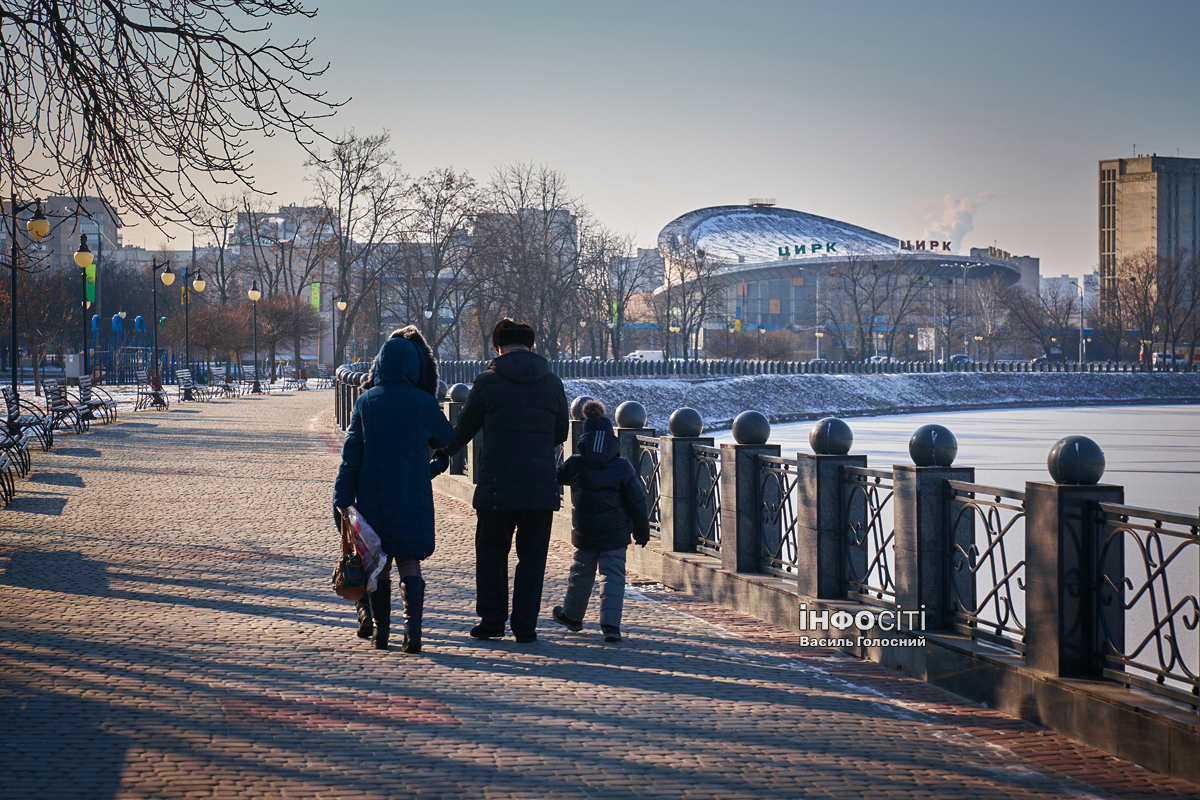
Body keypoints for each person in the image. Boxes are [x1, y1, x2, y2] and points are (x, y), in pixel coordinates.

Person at [434, 319, 569, 643]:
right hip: (539, 486)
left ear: (497, 346)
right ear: (532, 346)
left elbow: (464, 429)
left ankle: (492, 622)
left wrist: (441, 455)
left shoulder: (487, 382)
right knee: (532, 559)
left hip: (497, 484)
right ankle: (525, 627)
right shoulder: (552, 383)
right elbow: (561, 433)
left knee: (492, 554)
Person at [333, 326, 454, 653]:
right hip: (412, 497)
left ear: (380, 363)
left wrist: (341, 502)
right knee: (410, 562)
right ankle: (413, 633)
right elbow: (448, 440)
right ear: (415, 366)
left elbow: (350, 457)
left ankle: (381, 633)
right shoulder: (424, 402)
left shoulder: (366, 402)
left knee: (381, 563)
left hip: (374, 497)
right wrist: (435, 465)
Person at [551, 400, 650, 643]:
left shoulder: (575, 463)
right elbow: (637, 502)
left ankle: (572, 618)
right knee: (613, 576)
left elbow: (554, 477)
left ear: (584, 436)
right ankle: (611, 627)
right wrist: (642, 532)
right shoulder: (622, 466)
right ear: (610, 438)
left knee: (581, 573)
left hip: (584, 531)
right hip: (615, 532)